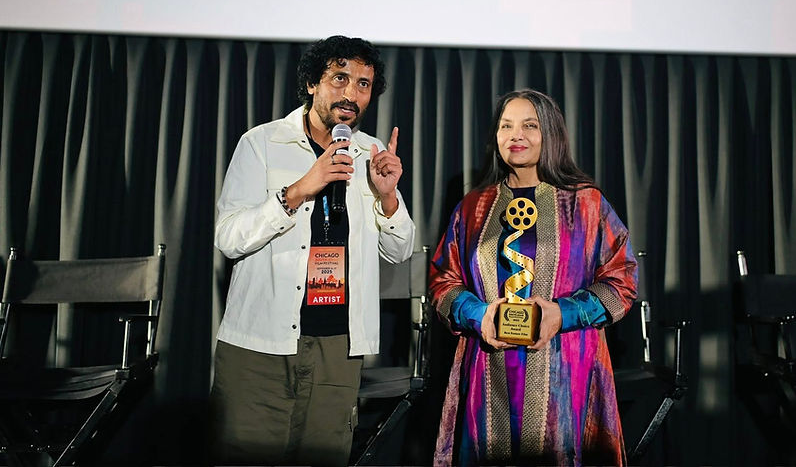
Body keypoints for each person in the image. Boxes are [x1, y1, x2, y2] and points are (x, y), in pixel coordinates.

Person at [211, 35, 416, 466]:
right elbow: (228, 238)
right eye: (339, 78)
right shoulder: (262, 143)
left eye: (363, 84)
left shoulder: (371, 153)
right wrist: (299, 190)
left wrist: (388, 198)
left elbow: (399, 251)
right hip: (260, 342)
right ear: (311, 83)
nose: (351, 93)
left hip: (338, 347)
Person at [429, 88, 638, 466]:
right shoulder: (473, 206)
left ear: (551, 134)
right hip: (487, 370)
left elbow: (621, 281)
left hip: (565, 371)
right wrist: (479, 314)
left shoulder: (586, 203)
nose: (516, 135)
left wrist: (563, 313)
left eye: (530, 125)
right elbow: (444, 282)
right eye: (506, 126)